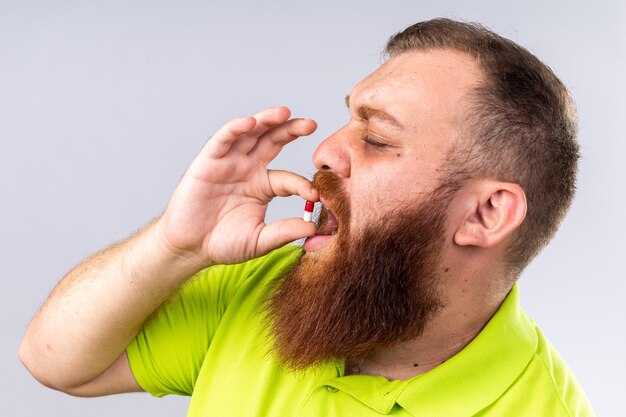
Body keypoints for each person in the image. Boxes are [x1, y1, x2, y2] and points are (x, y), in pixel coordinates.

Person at [19, 18, 595, 416]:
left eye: (375, 137)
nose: (325, 150)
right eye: (348, 120)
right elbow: (56, 362)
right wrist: (178, 244)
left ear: (486, 214)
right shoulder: (272, 289)